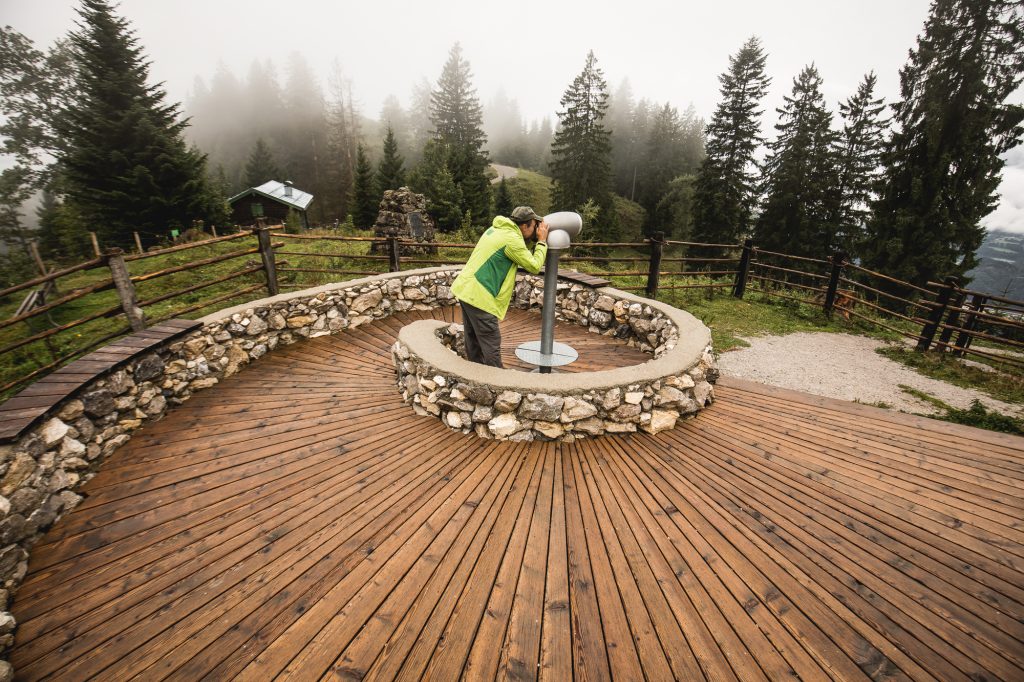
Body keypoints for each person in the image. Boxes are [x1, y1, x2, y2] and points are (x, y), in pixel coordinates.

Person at [451, 206, 550, 367]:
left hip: (466, 289)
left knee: (473, 340)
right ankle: (497, 382)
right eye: (533, 226)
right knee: (491, 343)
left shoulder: (497, 229)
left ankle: (476, 375)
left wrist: (533, 240)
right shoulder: (512, 240)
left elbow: (519, 251)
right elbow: (534, 265)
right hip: (481, 297)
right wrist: (542, 241)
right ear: (524, 226)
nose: (535, 230)